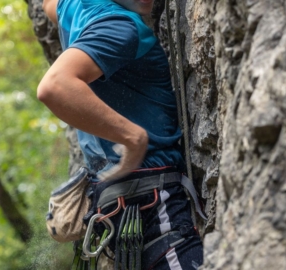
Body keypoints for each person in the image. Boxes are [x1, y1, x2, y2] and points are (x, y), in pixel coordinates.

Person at [38, 0, 204, 268]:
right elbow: (55, 86)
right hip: (154, 210)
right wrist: (131, 136)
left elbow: (49, 4)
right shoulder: (121, 27)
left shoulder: (74, 7)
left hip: (119, 216)